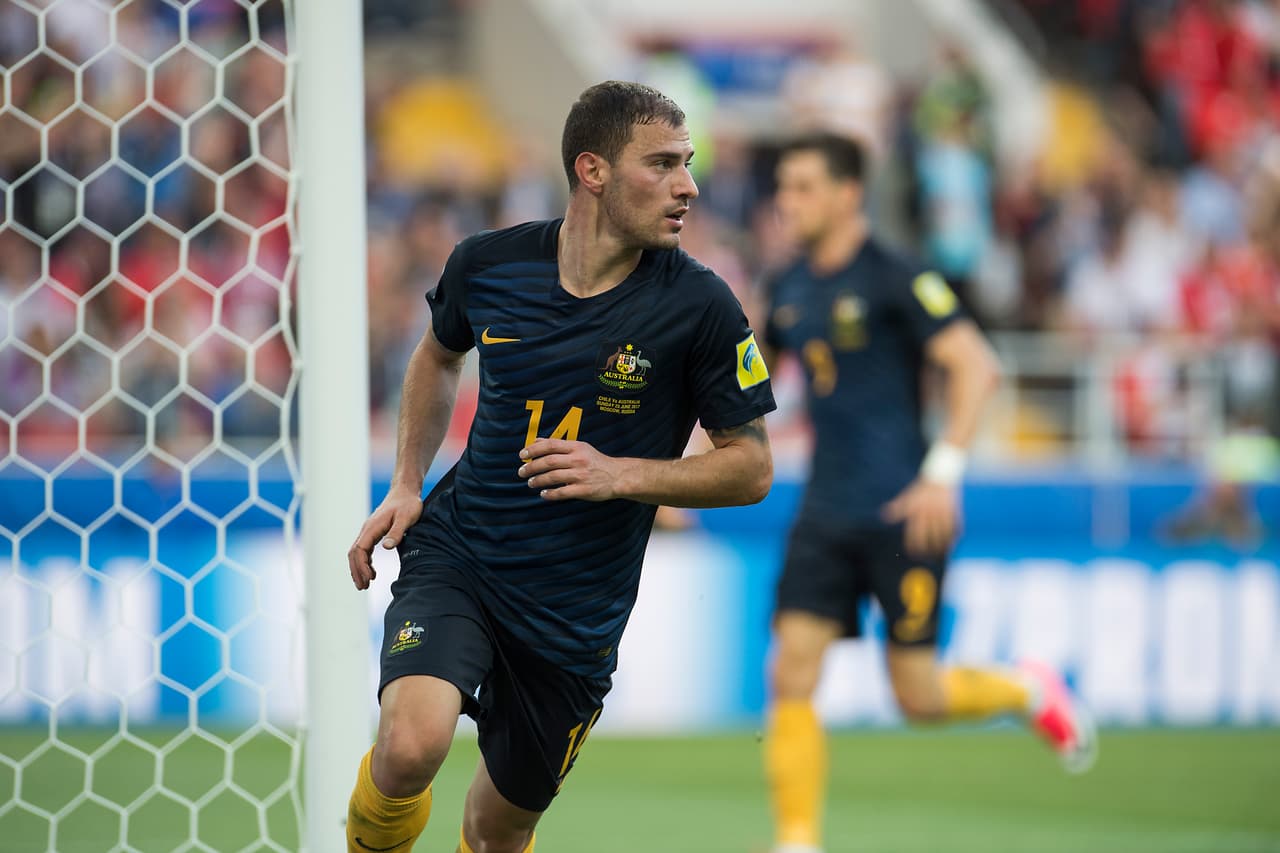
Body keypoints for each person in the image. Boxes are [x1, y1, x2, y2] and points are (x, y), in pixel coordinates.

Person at [344, 80, 776, 853]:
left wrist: (623, 474)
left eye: (689, 164)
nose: (690, 186)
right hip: (463, 555)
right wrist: (408, 481)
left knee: (494, 832)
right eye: (664, 164)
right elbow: (438, 355)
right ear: (593, 170)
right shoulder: (488, 265)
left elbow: (751, 467)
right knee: (410, 745)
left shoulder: (702, 306)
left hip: (575, 619)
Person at [759, 133, 1096, 853]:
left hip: (903, 510)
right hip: (823, 509)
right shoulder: (787, 286)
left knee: (918, 695)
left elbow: (977, 366)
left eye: (804, 187)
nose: (787, 202)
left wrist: (943, 473)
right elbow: (752, 389)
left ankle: (1029, 688)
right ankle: (797, 840)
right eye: (783, 188)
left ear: (850, 193)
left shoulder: (897, 275)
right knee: (790, 670)